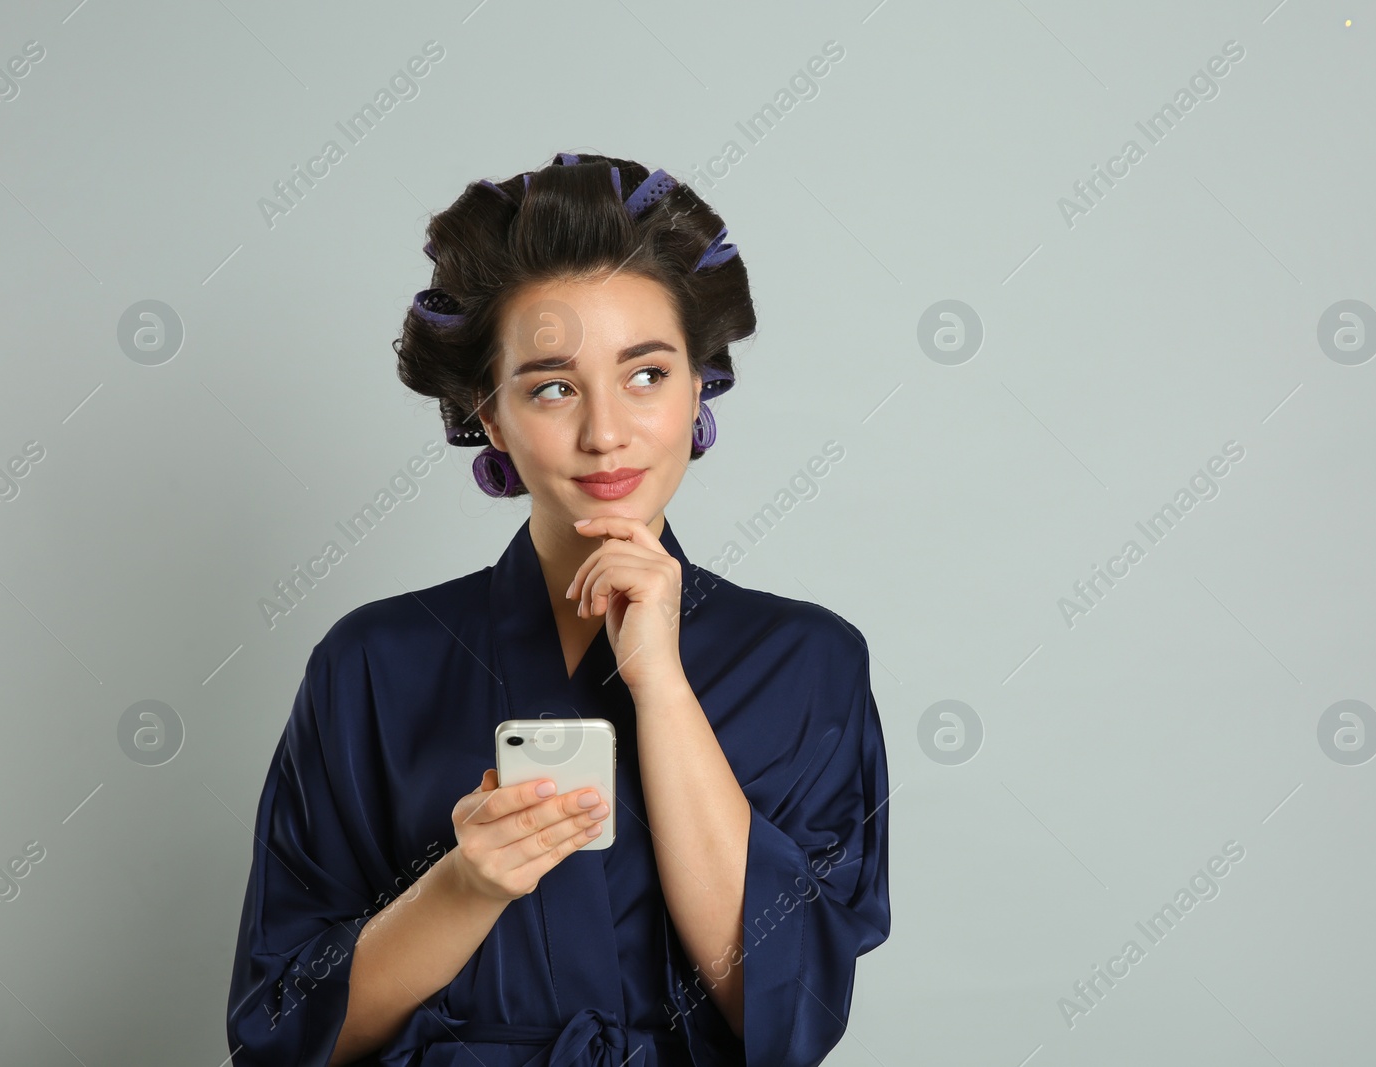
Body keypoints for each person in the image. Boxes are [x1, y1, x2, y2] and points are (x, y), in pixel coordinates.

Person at [224, 151, 890, 1067]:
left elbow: (786, 1011)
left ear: (700, 386)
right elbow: (281, 1030)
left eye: (647, 374)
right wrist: (463, 885)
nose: (605, 429)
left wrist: (660, 688)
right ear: (489, 415)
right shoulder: (371, 662)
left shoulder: (810, 661)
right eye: (552, 386)